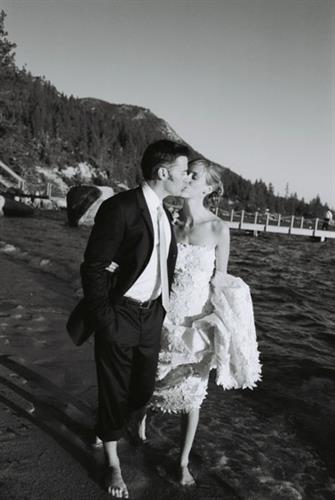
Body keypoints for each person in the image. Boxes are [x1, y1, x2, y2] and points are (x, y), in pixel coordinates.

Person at [140, 158, 262, 486]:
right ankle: (139, 419)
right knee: (151, 379)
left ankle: (182, 462)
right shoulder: (169, 221)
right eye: (187, 173)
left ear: (207, 188)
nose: (187, 178)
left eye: (194, 176)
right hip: (163, 316)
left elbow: (220, 280)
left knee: (192, 395)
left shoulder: (219, 229)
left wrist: (224, 327)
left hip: (195, 322)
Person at [80, 139, 190, 497]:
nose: (186, 177)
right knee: (113, 388)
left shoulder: (163, 212)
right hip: (120, 313)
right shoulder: (121, 207)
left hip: (151, 316)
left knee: (141, 390)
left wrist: (162, 308)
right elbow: (94, 265)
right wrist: (103, 317)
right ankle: (112, 463)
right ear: (163, 172)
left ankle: (106, 425)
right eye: (182, 171)